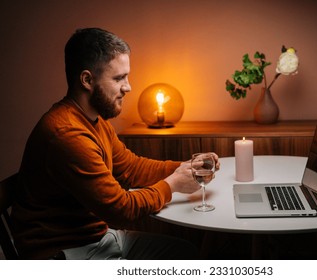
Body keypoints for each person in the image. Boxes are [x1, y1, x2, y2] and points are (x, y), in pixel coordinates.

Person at [10, 27, 219, 260]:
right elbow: (122, 210)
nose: (128, 87)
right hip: (65, 254)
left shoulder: (93, 119)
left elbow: (131, 168)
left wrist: (186, 167)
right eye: (119, 78)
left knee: (186, 253)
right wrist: (172, 185)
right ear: (87, 80)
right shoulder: (67, 134)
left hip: (97, 238)